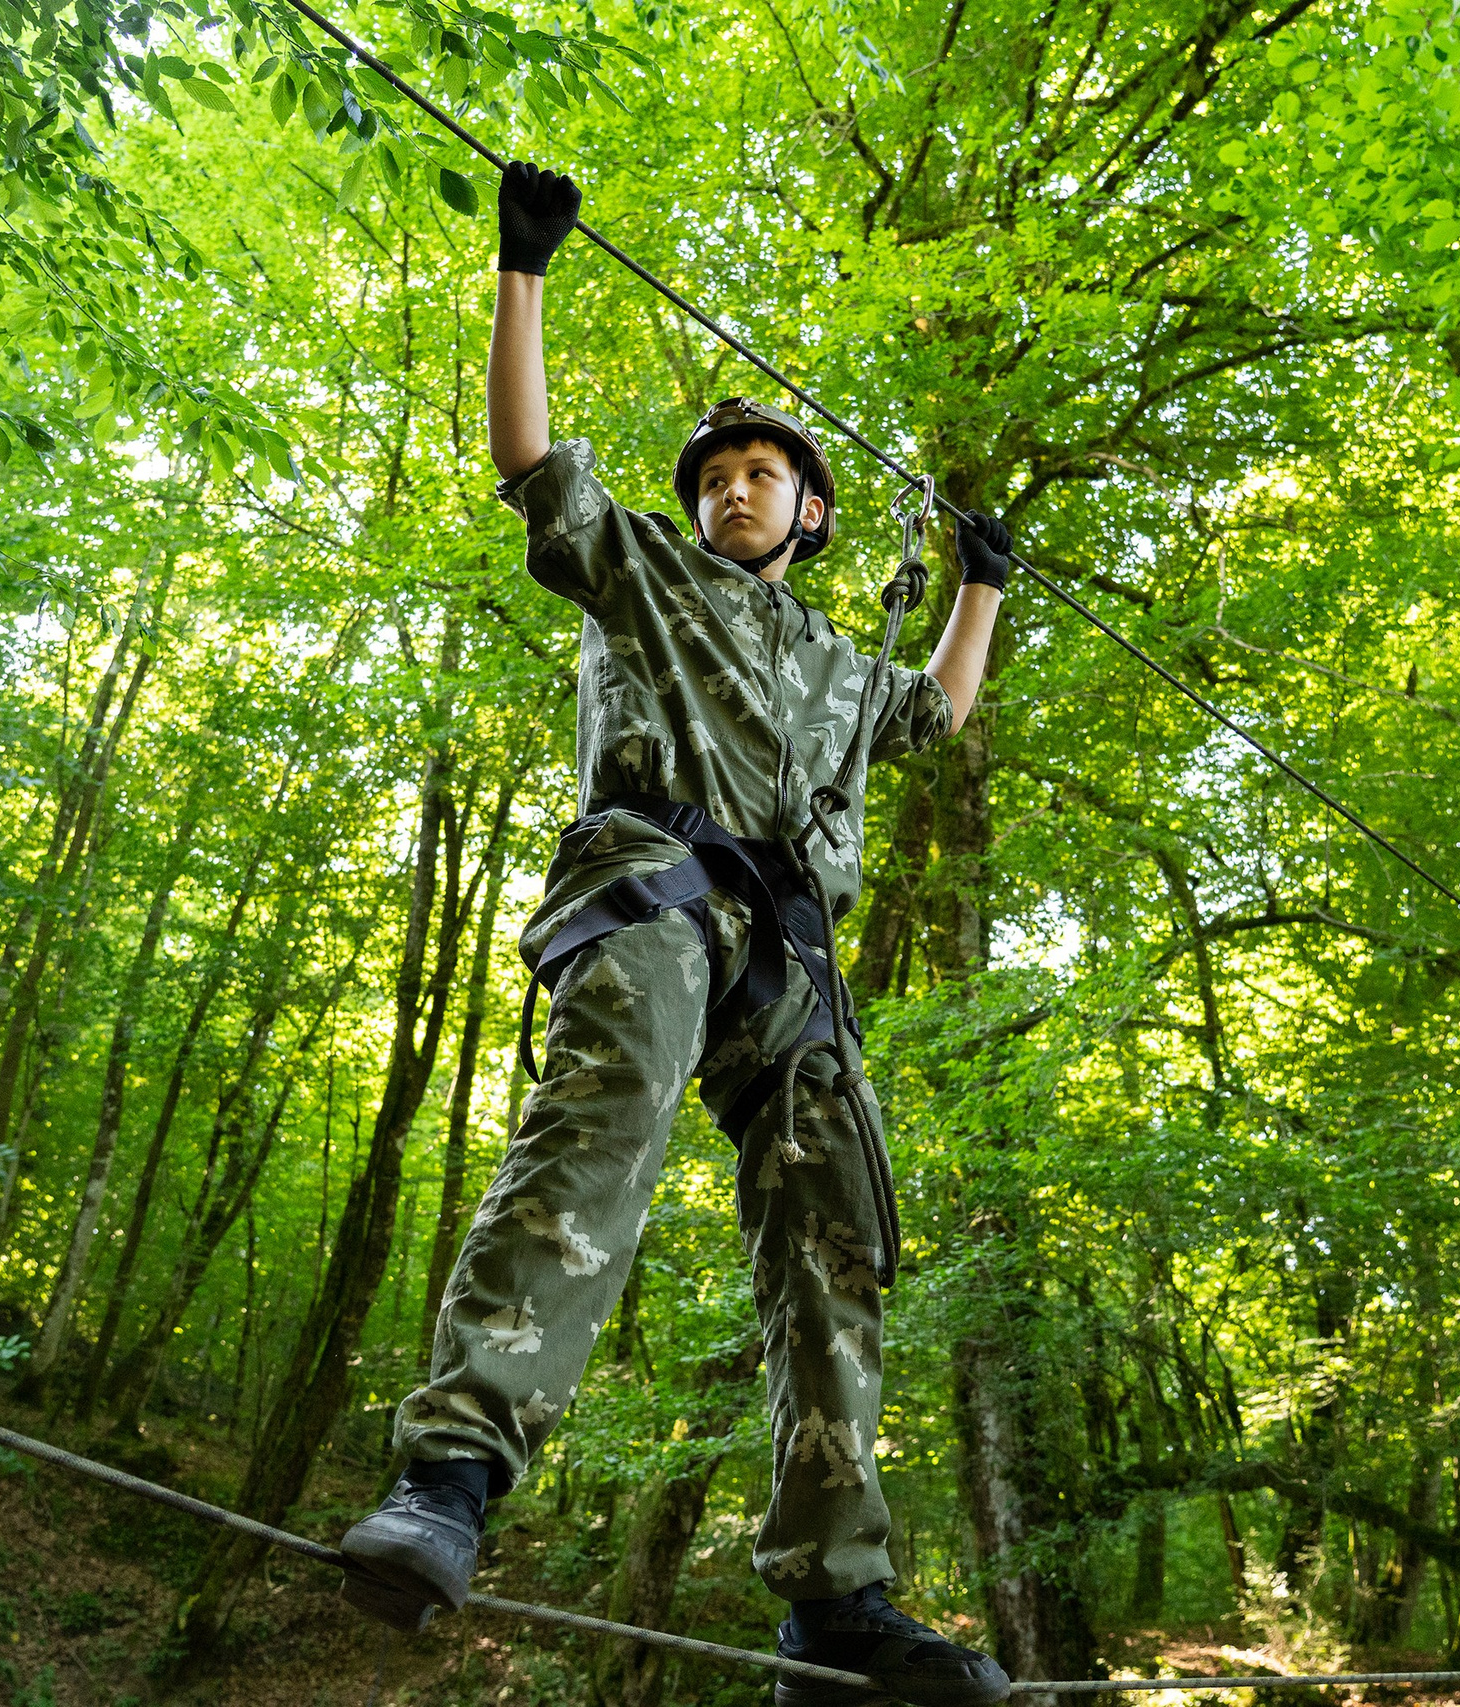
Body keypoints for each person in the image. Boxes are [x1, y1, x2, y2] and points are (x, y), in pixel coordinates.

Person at [338, 160, 1015, 1707]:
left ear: (813, 512)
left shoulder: (844, 666)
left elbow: (940, 714)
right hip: (655, 888)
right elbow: (529, 460)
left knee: (840, 1236)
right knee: (608, 1113)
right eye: (718, 473)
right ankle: (452, 1473)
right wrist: (523, 275)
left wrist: (980, 584)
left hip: (790, 967)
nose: (733, 487)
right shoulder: (643, 569)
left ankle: (837, 1600)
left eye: (764, 474)